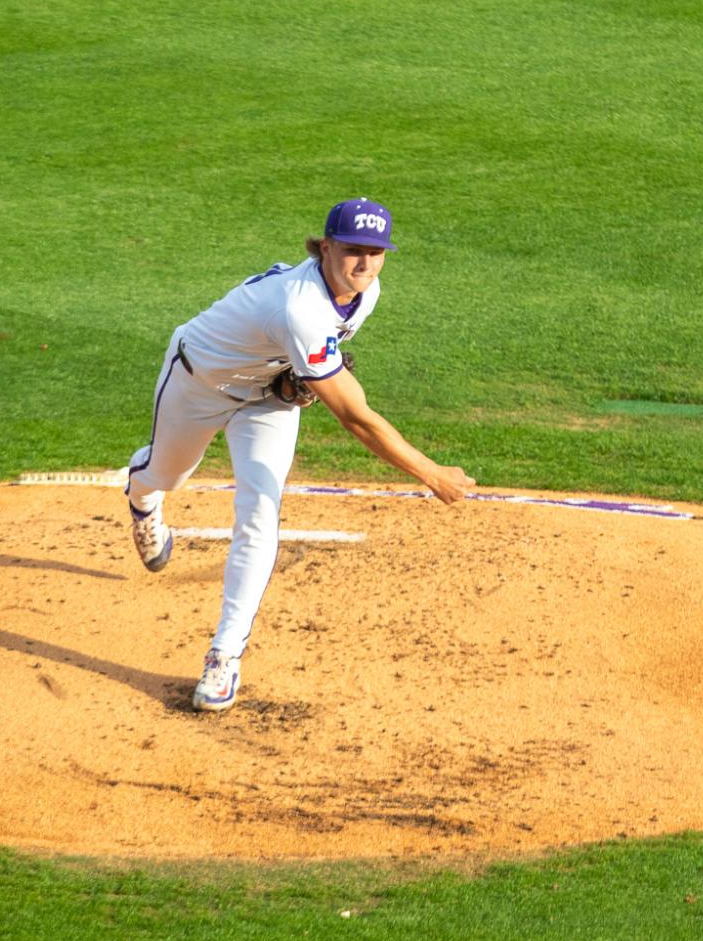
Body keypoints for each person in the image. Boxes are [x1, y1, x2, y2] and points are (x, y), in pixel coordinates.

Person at [124, 197, 476, 711]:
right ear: (326, 247)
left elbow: (316, 362)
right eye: (354, 250)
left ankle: (224, 655)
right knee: (167, 473)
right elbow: (354, 418)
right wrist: (430, 472)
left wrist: (296, 378)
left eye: (377, 252)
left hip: (265, 398)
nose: (366, 263)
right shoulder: (299, 305)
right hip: (198, 383)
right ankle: (141, 497)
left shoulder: (367, 290)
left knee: (260, 512)